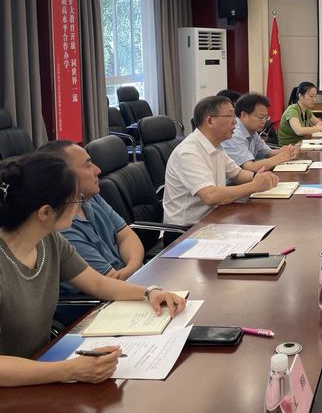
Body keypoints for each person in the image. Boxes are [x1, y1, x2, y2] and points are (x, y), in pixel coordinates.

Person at [0, 152, 186, 386]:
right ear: (45, 212)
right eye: (75, 200)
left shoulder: (49, 241)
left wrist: (150, 292)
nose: (81, 205)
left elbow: (98, 283)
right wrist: (69, 370)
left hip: (42, 366)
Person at [37, 141, 144, 286]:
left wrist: (132, 267)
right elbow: (109, 283)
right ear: (64, 177)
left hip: (131, 281)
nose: (98, 170)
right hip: (106, 296)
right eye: (88, 166)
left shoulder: (90, 197)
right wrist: (135, 272)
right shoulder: (62, 227)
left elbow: (126, 235)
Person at [163, 96, 279, 226]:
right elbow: (210, 196)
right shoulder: (188, 152)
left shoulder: (216, 145)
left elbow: (237, 174)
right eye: (229, 116)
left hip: (216, 217)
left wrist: (259, 177)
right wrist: (254, 186)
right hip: (188, 230)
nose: (235, 121)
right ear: (210, 121)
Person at [221, 93, 299, 171]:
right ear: (244, 115)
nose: (264, 121)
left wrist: (287, 151)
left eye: (266, 118)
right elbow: (250, 167)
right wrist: (280, 157)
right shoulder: (234, 134)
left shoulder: (252, 131)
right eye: (261, 117)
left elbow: (267, 153)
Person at [278, 82, 322, 146]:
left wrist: (317, 127)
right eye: (311, 96)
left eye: (315, 96)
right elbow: (299, 131)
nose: (314, 99)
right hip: (289, 147)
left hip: (301, 143)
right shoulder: (292, 110)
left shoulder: (306, 110)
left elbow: (318, 122)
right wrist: (321, 128)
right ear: (300, 96)